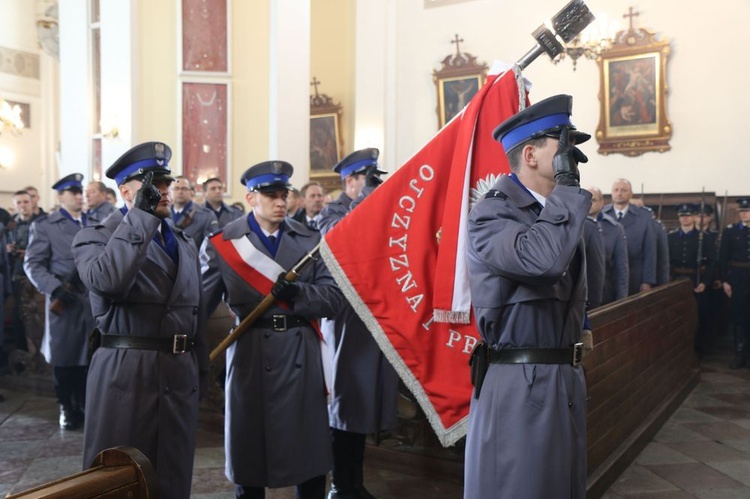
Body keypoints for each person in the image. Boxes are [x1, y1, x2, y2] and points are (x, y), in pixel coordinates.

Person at [464, 94, 592, 499]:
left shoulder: (556, 212)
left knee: (560, 487)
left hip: (562, 377)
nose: (572, 158)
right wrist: (569, 193)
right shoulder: (491, 215)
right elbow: (542, 263)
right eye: (563, 146)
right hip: (521, 382)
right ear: (532, 155)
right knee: (521, 488)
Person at [201, 160, 344, 499]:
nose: (281, 202)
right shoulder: (224, 243)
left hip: (300, 353)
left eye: (284, 195)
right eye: (271, 195)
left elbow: (335, 298)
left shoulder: (310, 240)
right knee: (249, 450)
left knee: (306, 450)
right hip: (250, 354)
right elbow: (197, 308)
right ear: (251, 198)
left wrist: (299, 293)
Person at [72, 142, 208, 498]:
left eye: (165, 183)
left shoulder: (183, 241)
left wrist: (201, 369)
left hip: (178, 373)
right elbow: (107, 281)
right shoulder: (94, 236)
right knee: (121, 477)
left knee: (173, 474)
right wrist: (140, 218)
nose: (163, 191)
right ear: (126, 191)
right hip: (126, 374)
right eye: (152, 184)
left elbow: (196, 311)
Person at [318, 149, 398, 499]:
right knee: (344, 406)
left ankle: (354, 482)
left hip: (371, 319)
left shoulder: (373, 207)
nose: (371, 186)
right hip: (344, 321)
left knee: (360, 408)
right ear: (349, 181)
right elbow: (340, 240)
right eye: (366, 179)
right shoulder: (331, 211)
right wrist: (367, 197)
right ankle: (341, 484)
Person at [23, 173, 93, 430]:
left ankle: (86, 406)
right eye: (73, 191)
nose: (79, 195)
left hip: (91, 303)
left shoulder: (93, 222)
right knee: (65, 360)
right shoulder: (45, 226)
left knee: (89, 359)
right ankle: (66, 407)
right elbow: (33, 264)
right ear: (60, 196)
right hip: (65, 302)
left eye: (80, 191)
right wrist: (54, 287)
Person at [5, 191, 46, 367]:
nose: (23, 205)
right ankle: (24, 358)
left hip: (38, 278)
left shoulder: (44, 223)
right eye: (19, 202)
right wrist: (6, 249)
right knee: (20, 318)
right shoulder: (10, 226)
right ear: (14, 205)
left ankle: (43, 357)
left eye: (26, 202)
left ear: (32, 202)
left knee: (40, 318)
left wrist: (29, 254)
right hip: (18, 275)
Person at [668, 203, 715, 353]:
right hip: (675, 280)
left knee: (699, 315)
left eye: (688, 215)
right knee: (675, 315)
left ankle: (698, 349)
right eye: (682, 215)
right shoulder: (671, 237)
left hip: (696, 280)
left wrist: (705, 283)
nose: (685, 218)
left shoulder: (705, 238)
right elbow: (665, 261)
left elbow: (712, 263)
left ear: (694, 217)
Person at [602, 179, 657, 295]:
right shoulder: (603, 214)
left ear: (630, 194)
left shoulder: (644, 216)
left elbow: (650, 251)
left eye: (623, 190)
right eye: (616, 190)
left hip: (635, 276)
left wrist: (647, 280)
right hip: (608, 277)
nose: (619, 193)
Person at [717, 198, 750, 369]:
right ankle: (739, 354)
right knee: (739, 317)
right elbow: (723, 259)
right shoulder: (730, 232)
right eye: (741, 210)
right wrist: (725, 281)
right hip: (738, 278)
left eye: (747, 210)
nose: (744, 213)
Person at [587, 186, 629, 305]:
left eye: (593, 200)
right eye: (585, 200)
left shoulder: (615, 228)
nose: (588, 203)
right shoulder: (574, 225)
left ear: (601, 203)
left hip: (605, 292)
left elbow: (621, 267)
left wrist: (622, 298)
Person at [169, 175, 219, 249]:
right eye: (176, 188)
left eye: (184, 189)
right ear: (170, 191)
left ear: (191, 192)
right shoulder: (164, 214)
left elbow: (211, 247)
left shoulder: (206, 216)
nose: (180, 192)